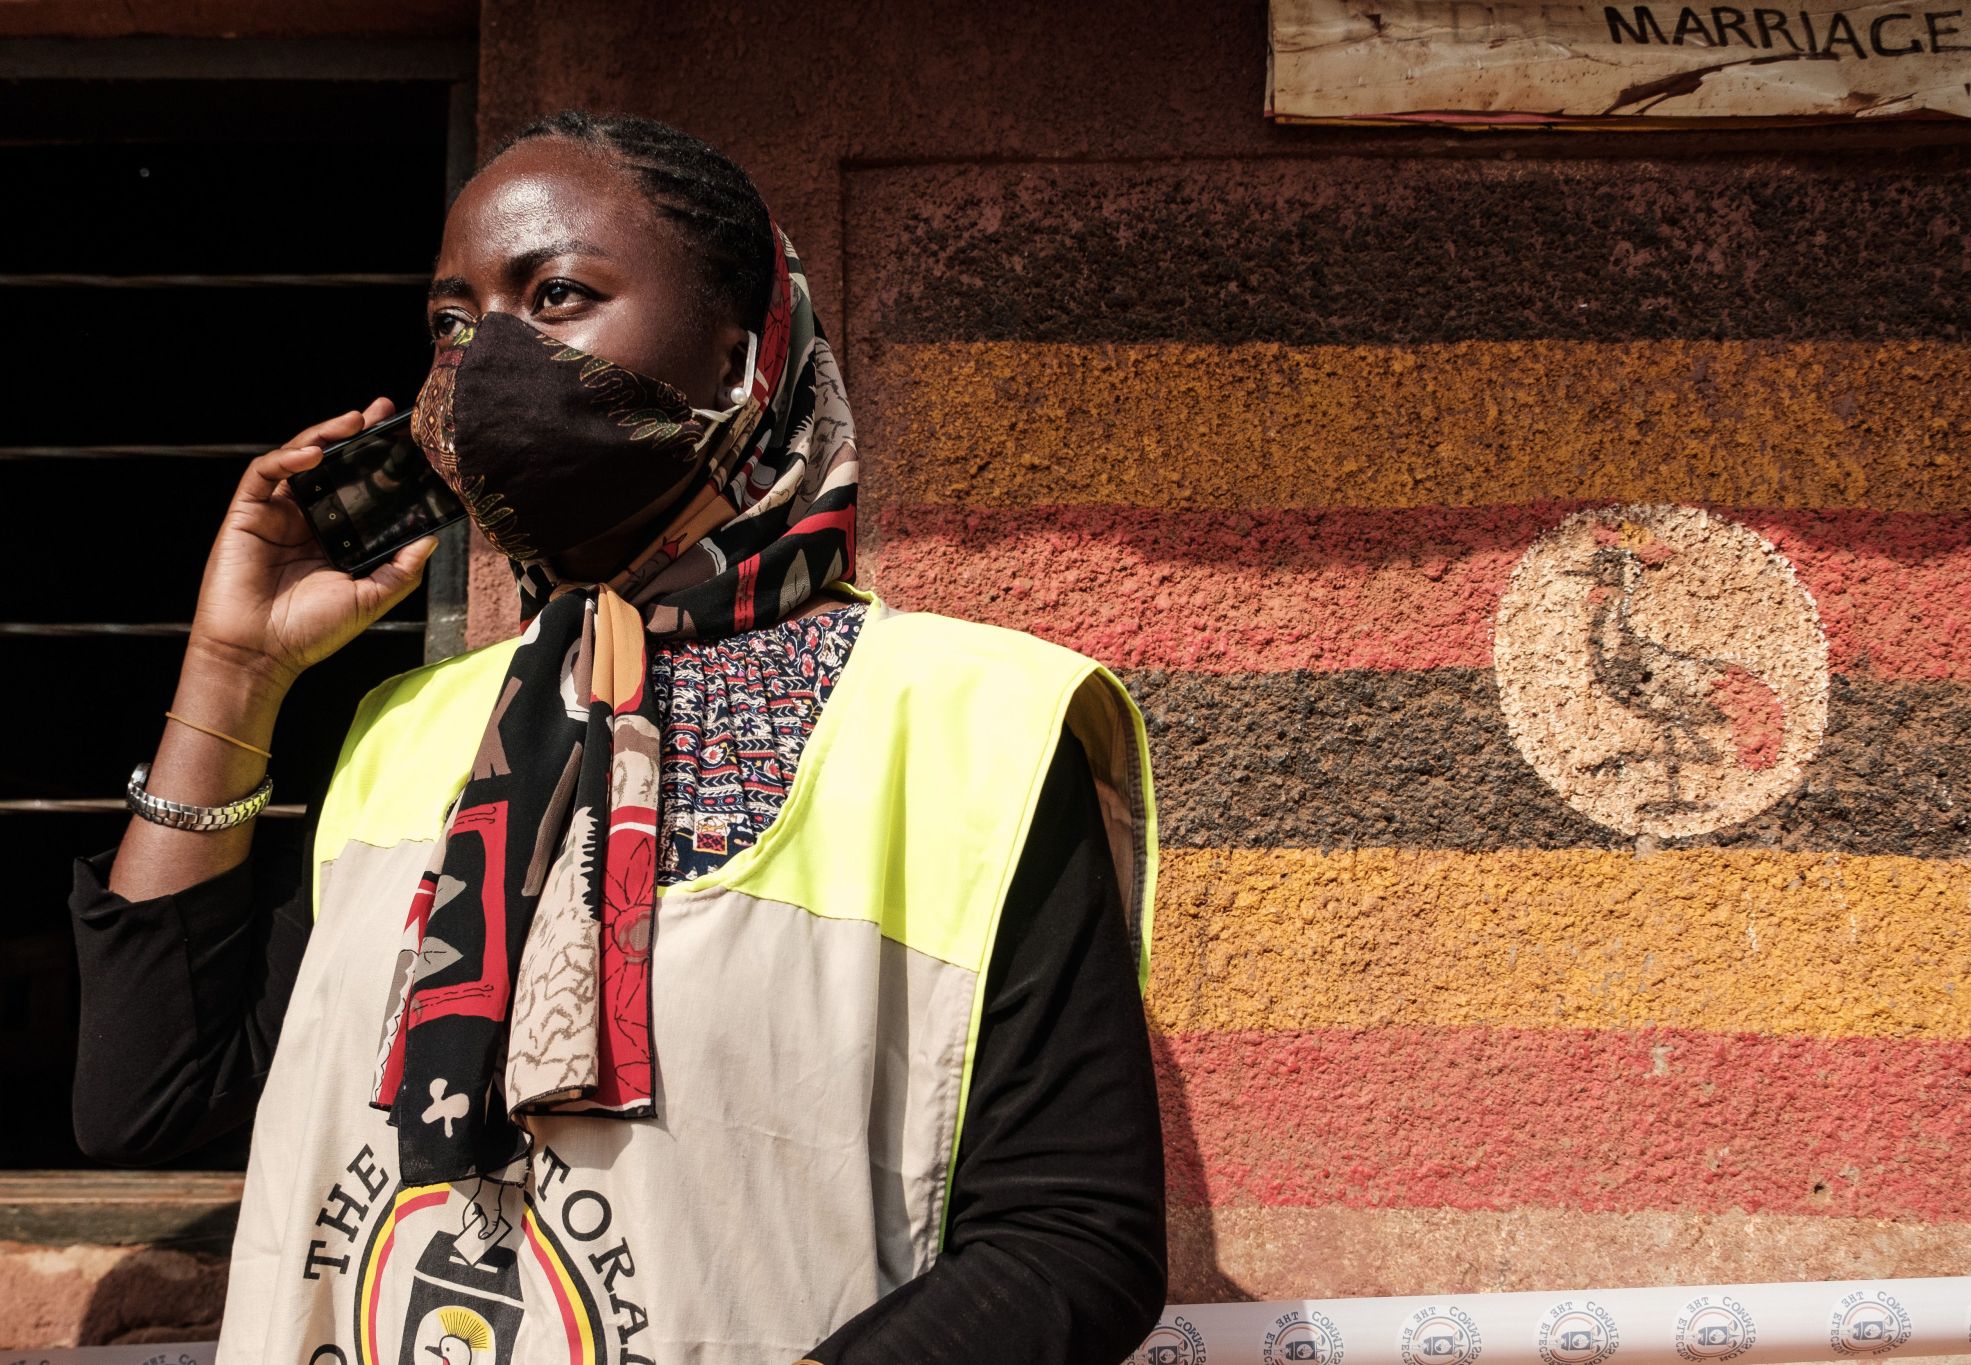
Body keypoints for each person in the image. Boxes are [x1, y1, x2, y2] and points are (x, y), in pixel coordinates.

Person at [66, 110, 1167, 1365]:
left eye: (558, 296)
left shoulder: (969, 726)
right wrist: (234, 671)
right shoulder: (408, 732)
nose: (485, 361)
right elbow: (146, 1102)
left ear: (744, 353)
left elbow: (1072, 1236)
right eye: (451, 323)